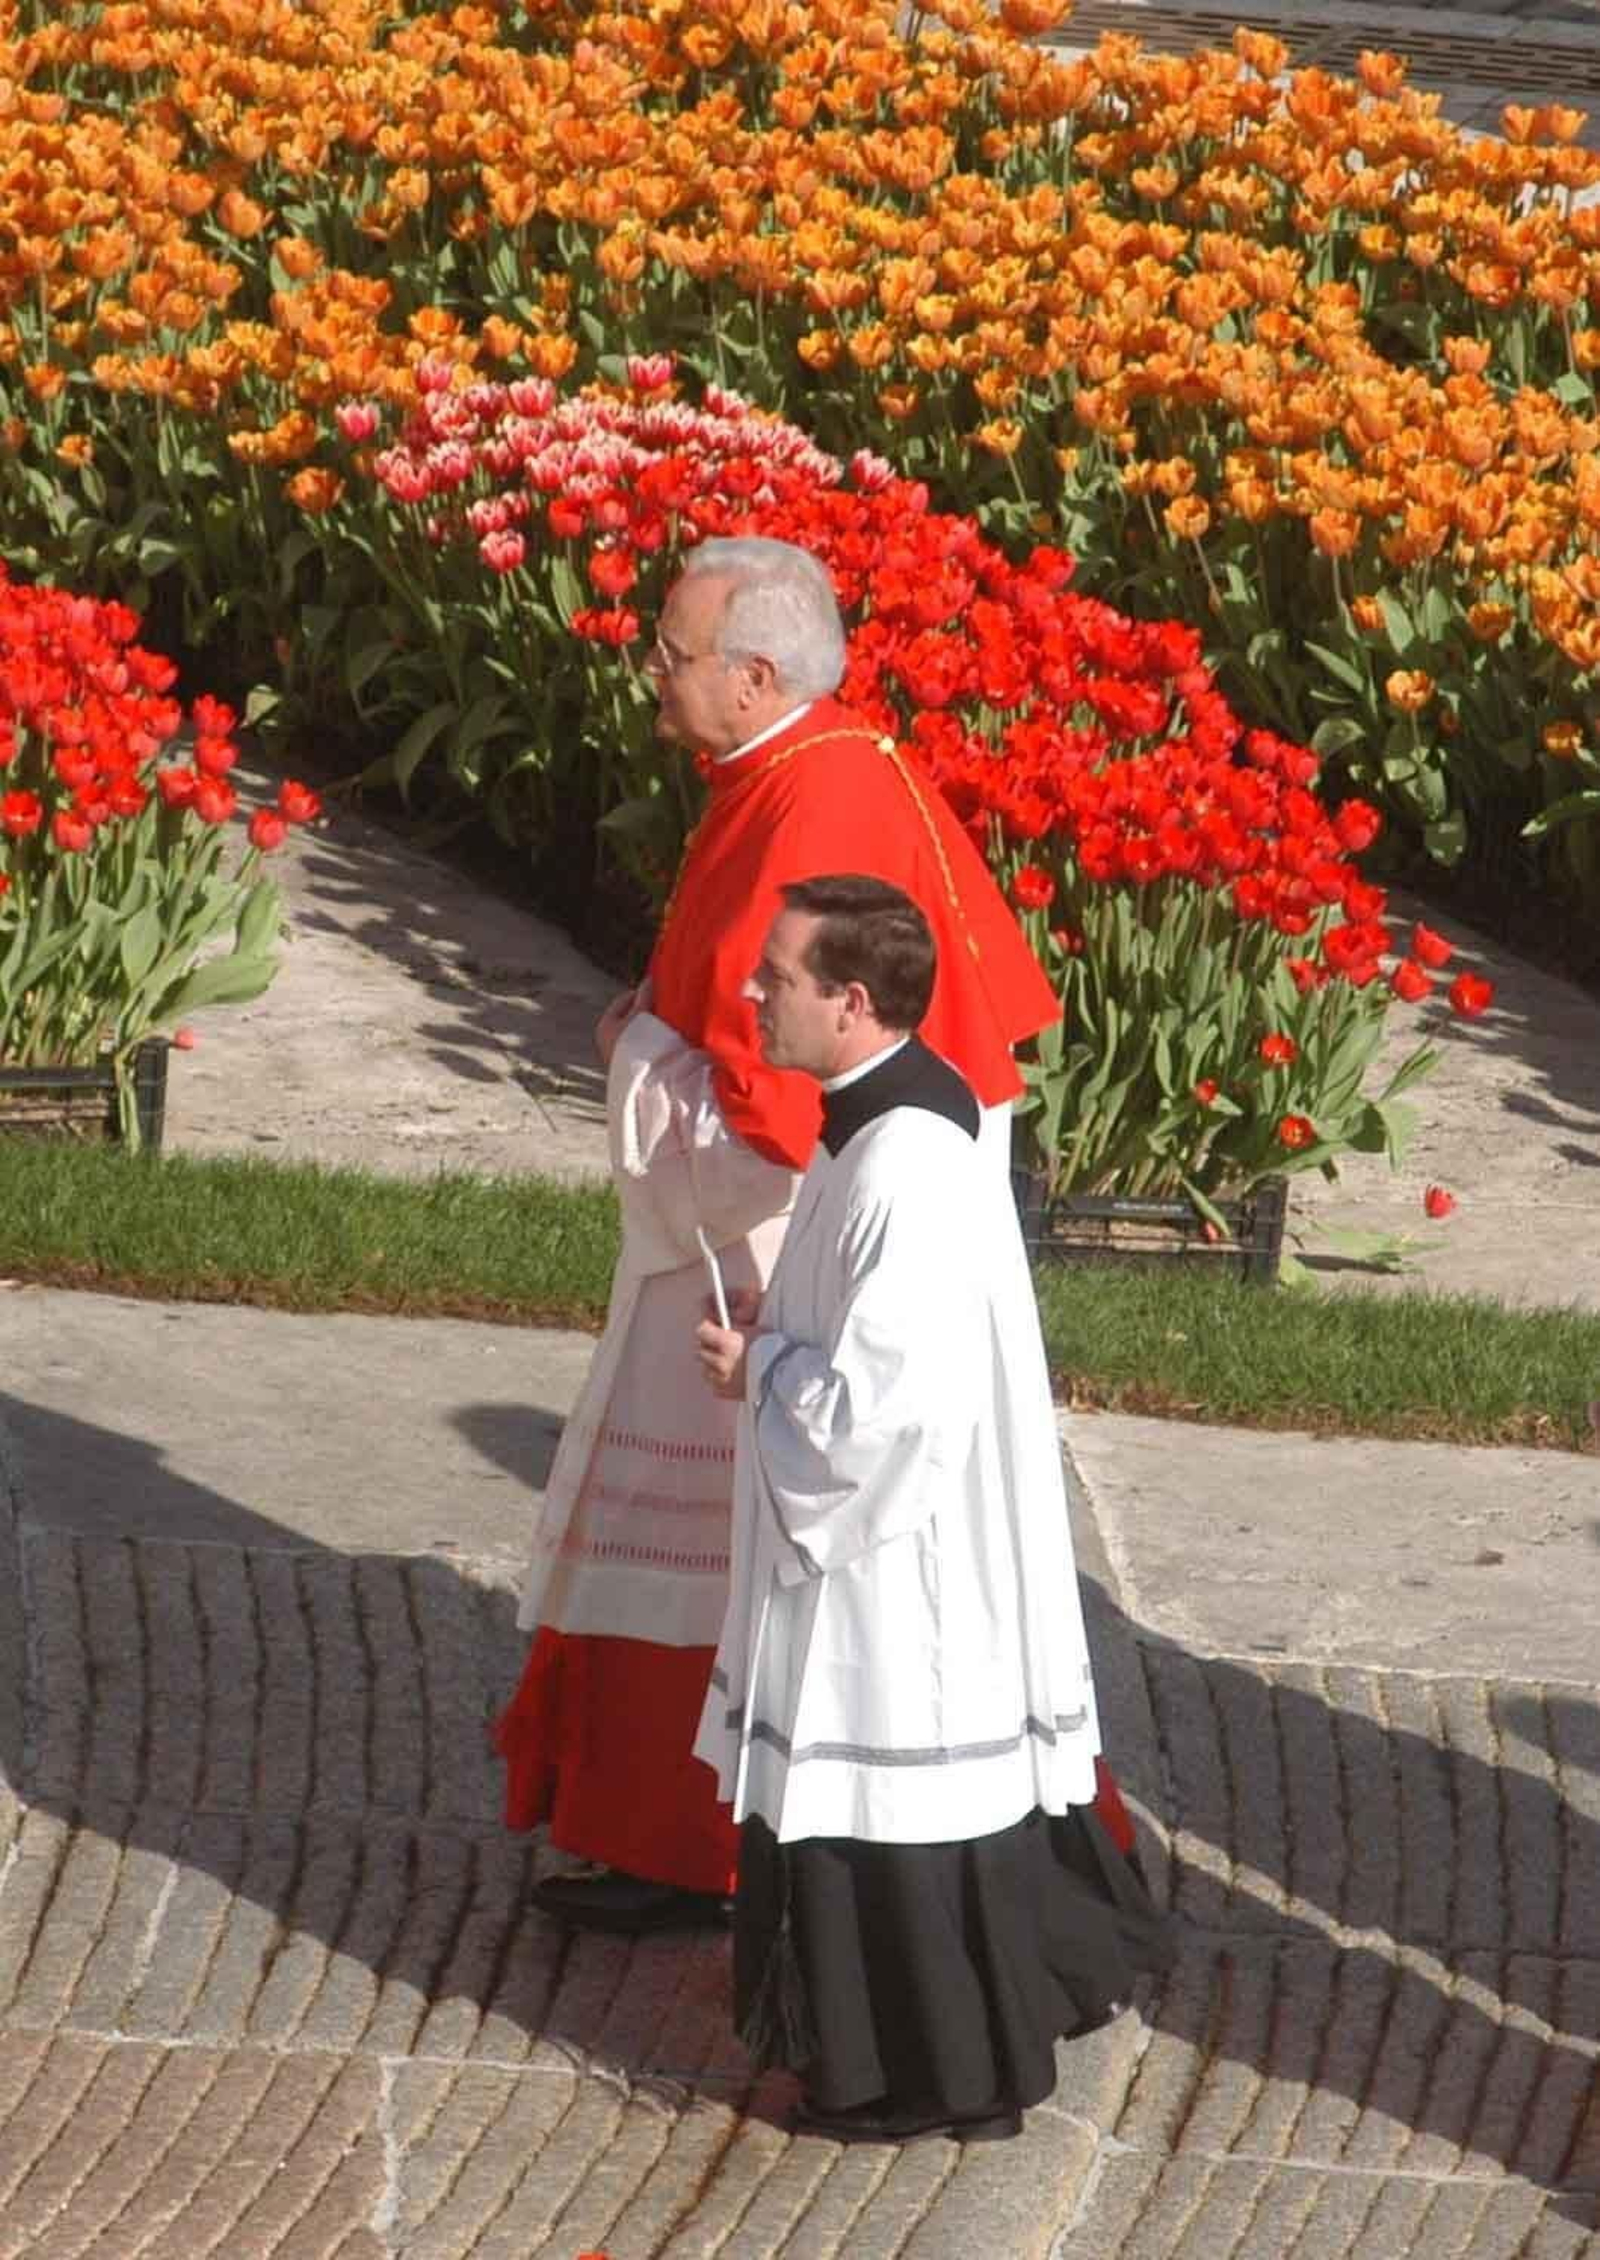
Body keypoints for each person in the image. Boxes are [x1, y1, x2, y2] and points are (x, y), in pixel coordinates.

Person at [498, 535, 1132, 1933]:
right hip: (797, 1210)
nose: (652, 677)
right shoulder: (798, 761)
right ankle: (697, 1839)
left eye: (673, 655)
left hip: (801, 1239)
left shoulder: (820, 802)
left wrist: (638, 1061)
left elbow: (782, 1121)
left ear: (759, 673)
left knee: (771, 1545)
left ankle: (731, 1853)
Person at [693, 876, 1171, 2142]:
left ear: (851, 1002)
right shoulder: (883, 1115)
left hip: (893, 1560)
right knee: (901, 1822)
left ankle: (930, 2079)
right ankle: (928, 2067)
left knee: (892, 1811)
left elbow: (884, 1414)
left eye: (778, 976)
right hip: (891, 1538)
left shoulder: (905, 1158)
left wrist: (763, 1372)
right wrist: (787, 1339)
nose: (754, 992)